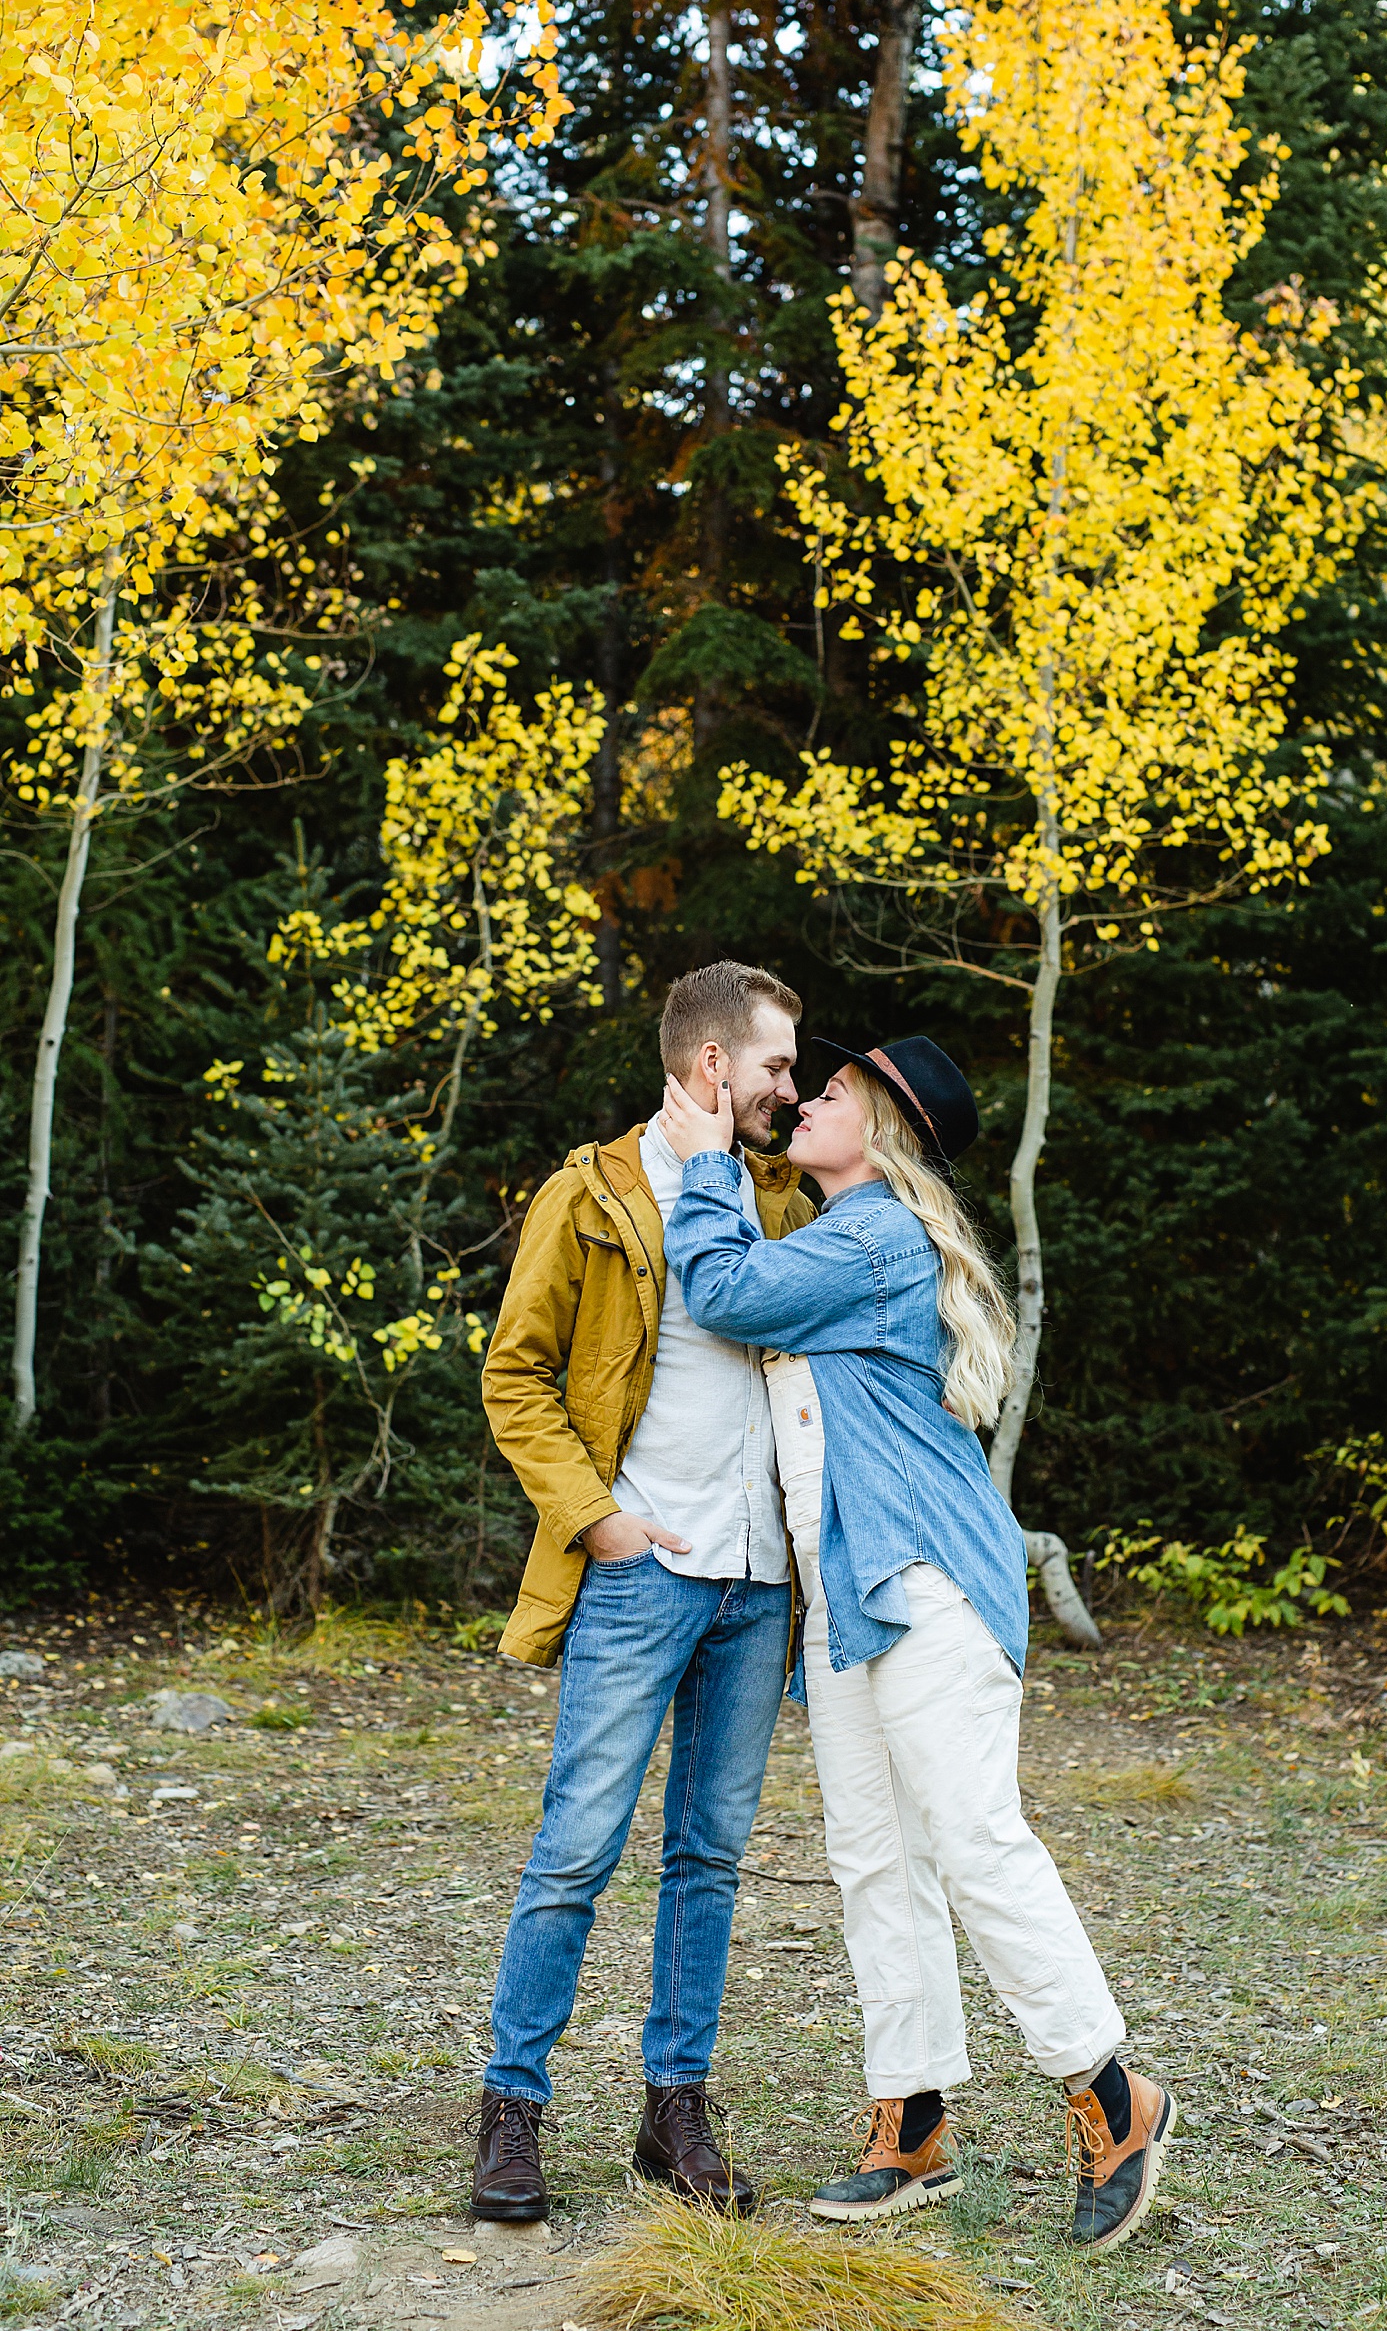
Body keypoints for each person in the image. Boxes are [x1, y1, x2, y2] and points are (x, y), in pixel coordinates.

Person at [657, 1036, 1174, 2256]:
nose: (806, 1100)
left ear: (882, 1131)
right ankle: (916, 2118)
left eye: (828, 1093)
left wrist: (702, 1168)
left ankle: (1111, 2094)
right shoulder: (834, 1238)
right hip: (847, 1593)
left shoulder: (873, 1235)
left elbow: (724, 1292)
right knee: (874, 1860)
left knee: (974, 1839)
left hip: (931, 1580)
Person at [470, 961, 814, 2224]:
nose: (794, 1086)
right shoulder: (593, 1193)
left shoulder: (781, 1195)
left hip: (759, 1582)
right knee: (574, 1852)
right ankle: (511, 2111)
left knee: (709, 1857)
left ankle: (676, 2111)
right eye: (776, 1064)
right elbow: (517, 1378)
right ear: (713, 1065)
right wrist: (599, 1522)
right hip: (643, 1573)